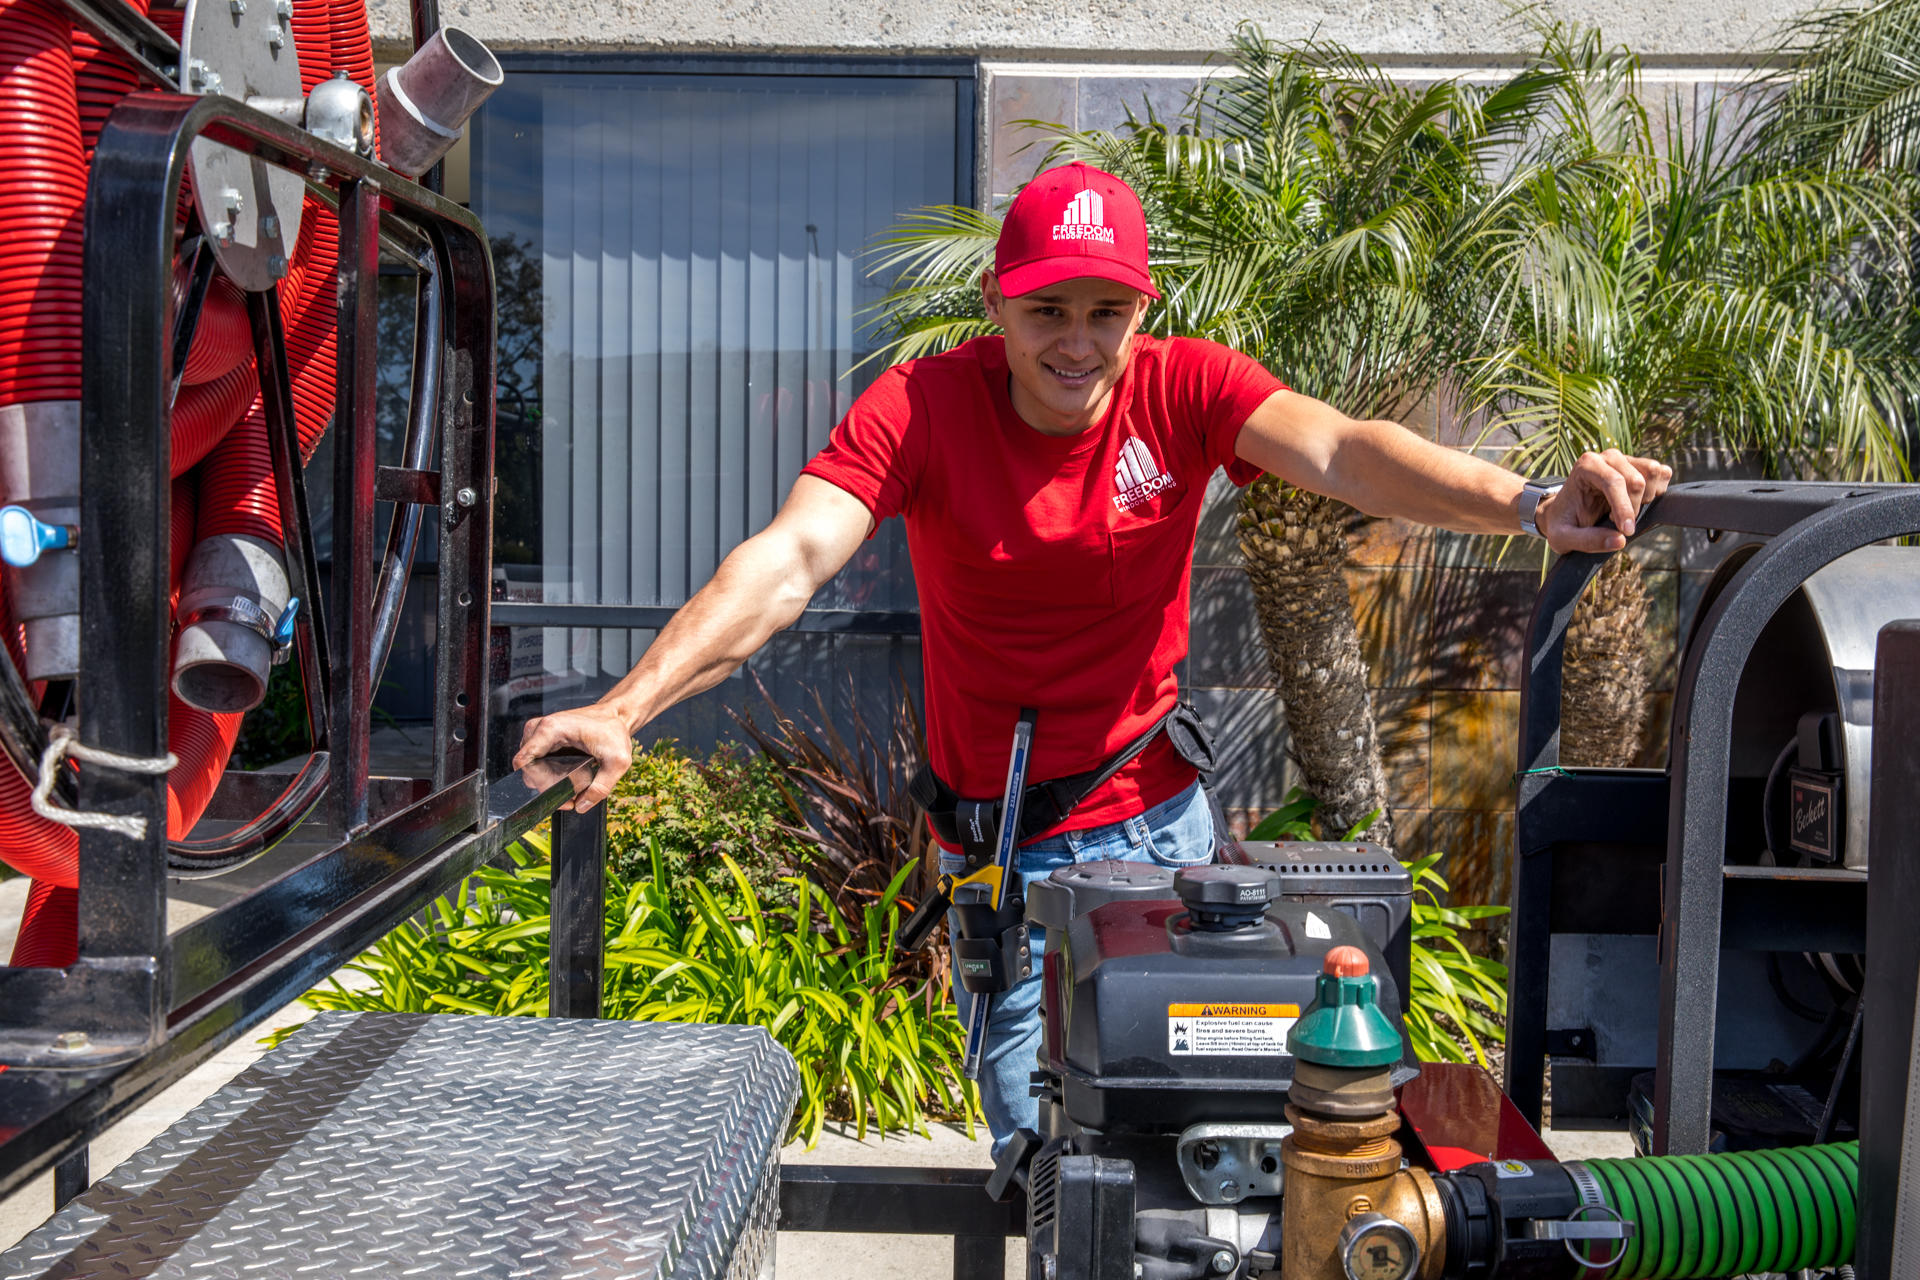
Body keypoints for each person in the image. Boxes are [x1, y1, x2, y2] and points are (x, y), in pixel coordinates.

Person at [511, 163, 1672, 1152]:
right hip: (995, 849)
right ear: (996, 305)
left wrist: (1529, 502)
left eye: (1103, 312)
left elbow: (1346, 452)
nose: (1076, 343)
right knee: (1029, 1136)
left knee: (1195, 1130)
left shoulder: (1185, 387)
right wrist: (628, 703)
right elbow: (789, 560)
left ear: (1140, 309)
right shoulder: (920, 406)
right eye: (1047, 311)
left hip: (1154, 834)